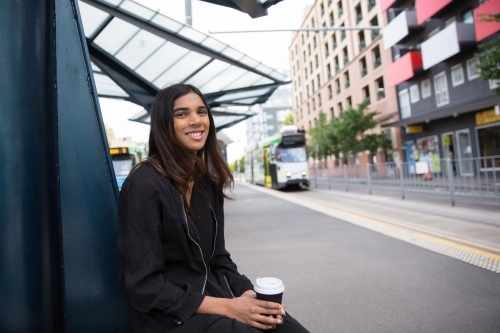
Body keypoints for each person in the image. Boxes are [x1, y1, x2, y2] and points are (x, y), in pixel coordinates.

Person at [117, 84, 309, 333]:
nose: (196, 121)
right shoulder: (144, 184)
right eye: (182, 114)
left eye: (202, 112)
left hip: (213, 298)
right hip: (169, 317)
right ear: (164, 124)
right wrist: (230, 308)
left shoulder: (207, 183)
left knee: (286, 328)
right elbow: (144, 286)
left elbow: (219, 258)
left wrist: (249, 294)